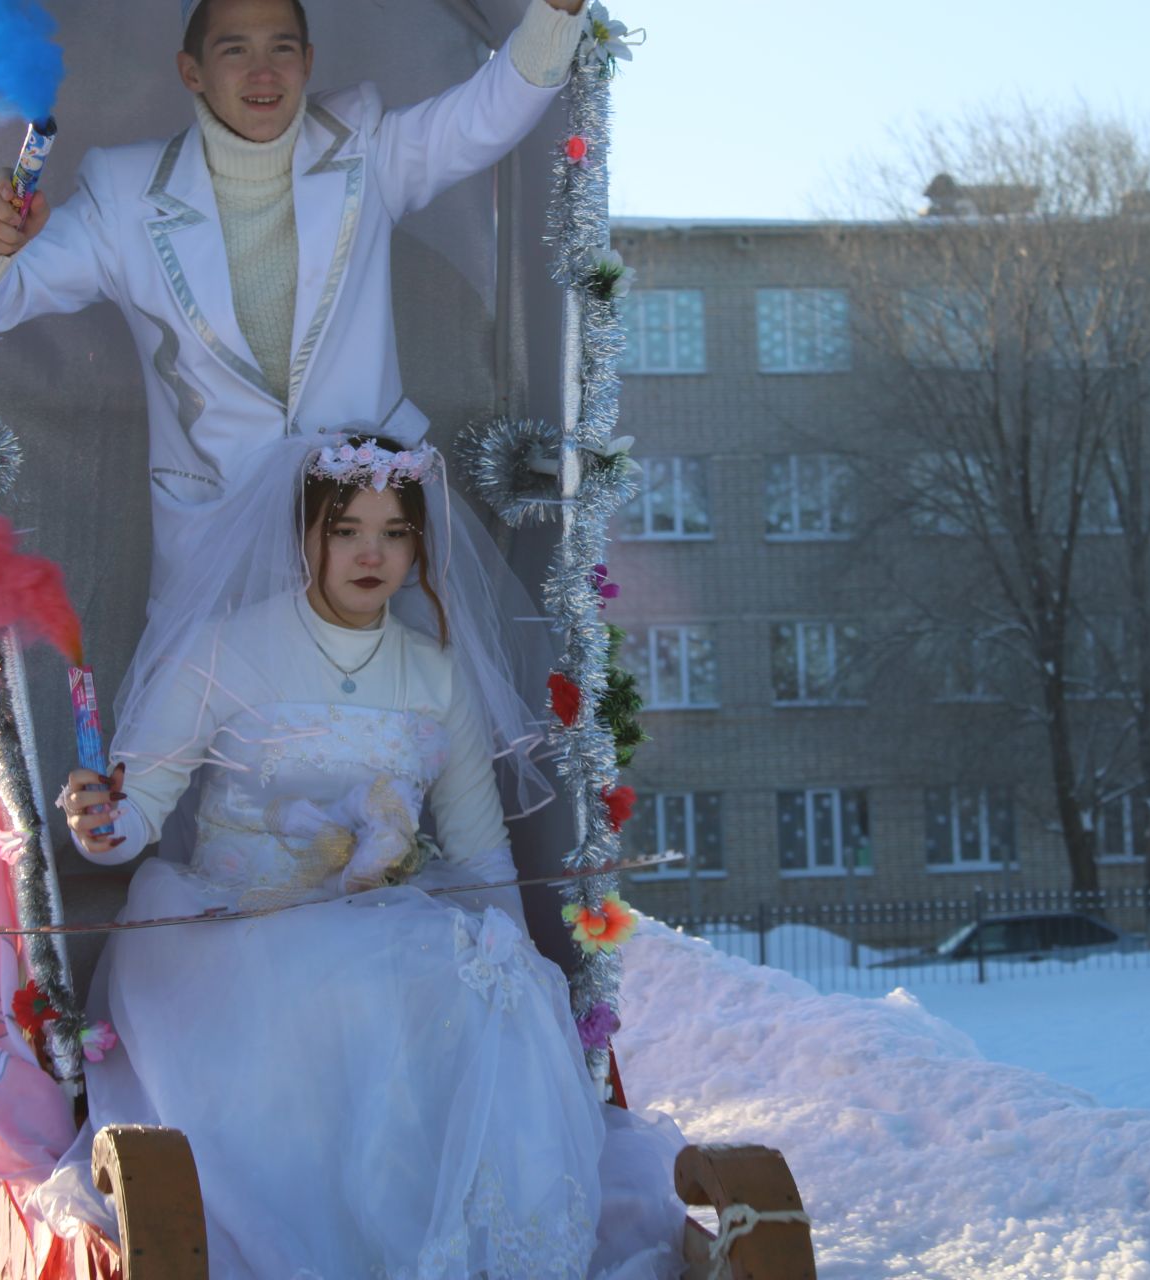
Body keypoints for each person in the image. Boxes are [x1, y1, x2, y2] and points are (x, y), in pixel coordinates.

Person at [37, 435, 685, 1278]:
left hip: (383, 925)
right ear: (305, 537)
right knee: (363, 993)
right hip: (231, 937)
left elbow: (481, 845)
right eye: (346, 529)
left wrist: (517, 968)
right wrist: (99, 825)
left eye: (394, 531)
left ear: (420, 546)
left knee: (496, 986)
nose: (371, 552)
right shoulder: (225, 651)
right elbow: (137, 815)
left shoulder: (436, 674)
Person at [0, 0, 590, 599]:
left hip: (368, 534)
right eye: (235, 49)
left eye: (281, 48)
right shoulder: (124, 196)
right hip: (216, 546)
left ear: (308, 62)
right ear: (192, 71)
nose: (262, 72)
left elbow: (487, 114)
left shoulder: (364, 149)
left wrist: (558, 11)